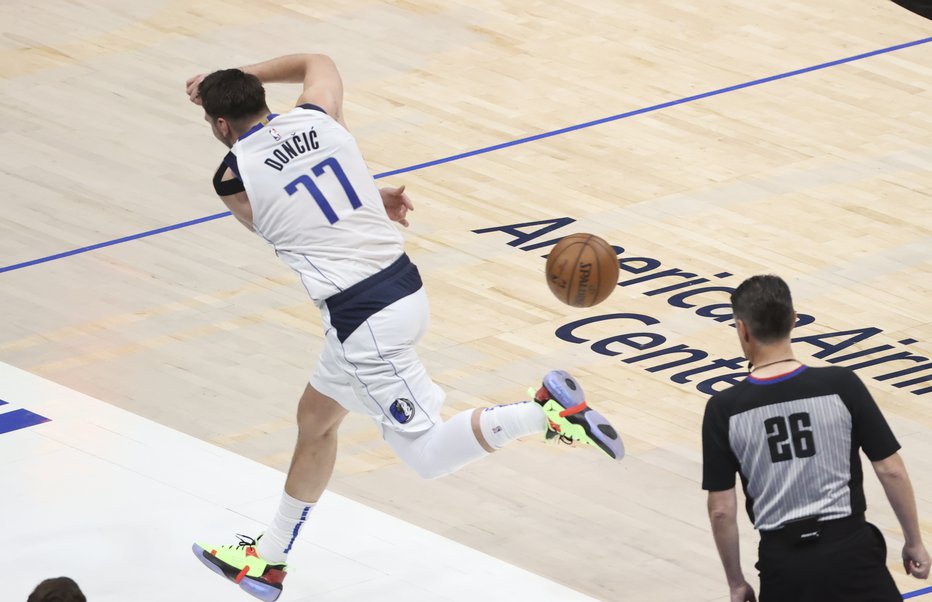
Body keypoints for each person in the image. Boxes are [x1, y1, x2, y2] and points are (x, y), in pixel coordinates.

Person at [184, 53, 624, 602]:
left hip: (362, 322)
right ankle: (268, 561)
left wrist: (366, 197)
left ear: (221, 126)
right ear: (260, 96)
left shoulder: (231, 179)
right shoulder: (318, 114)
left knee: (428, 455)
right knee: (316, 419)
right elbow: (317, 62)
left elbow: (288, 215)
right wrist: (239, 76)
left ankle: (541, 413)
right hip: (403, 288)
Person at [701, 274, 930, 601]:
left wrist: (737, 582)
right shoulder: (842, 385)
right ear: (794, 321)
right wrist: (913, 540)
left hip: (784, 565)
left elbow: (721, 510)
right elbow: (890, 470)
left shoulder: (724, 409)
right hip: (851, 551)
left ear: (742, 328)